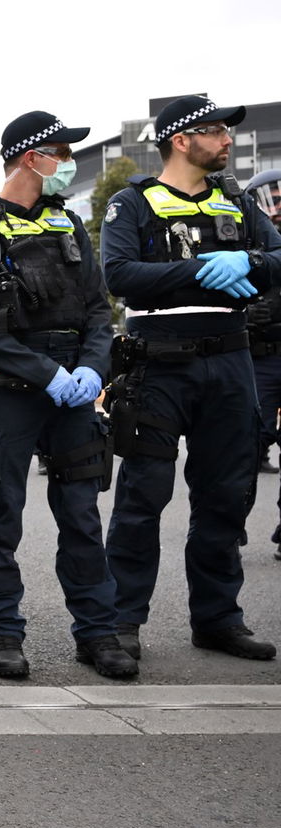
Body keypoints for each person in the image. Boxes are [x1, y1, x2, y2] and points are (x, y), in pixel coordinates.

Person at [0, 112, 135, 679]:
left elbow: (98, 308)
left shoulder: (69, 224)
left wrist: (94, 369)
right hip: (9, 390)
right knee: (1, 517)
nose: (68, 162)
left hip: (74, 392)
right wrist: (44, 373)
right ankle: (3, 634)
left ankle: (96, 633)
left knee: (81, 515)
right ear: (31, 158)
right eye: (61, 152)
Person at [100, 95, 280, 662]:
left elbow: (279, 257)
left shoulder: (235, 201)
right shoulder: (132, 203)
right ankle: (122, 622)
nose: (227, 140)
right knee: (143, 497)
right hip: (159, 363)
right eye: (216, 131)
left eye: (228, 132)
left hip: (231, 362)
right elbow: (122, 274)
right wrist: (202, 269)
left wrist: (248, 263)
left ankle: (218, 619)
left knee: (227, 495)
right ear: (182, 140)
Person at [246, 170, 281, 555]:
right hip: (257, 358)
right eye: (273, 197)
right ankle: (230, 523)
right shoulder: (240, 242)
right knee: (247, 444)